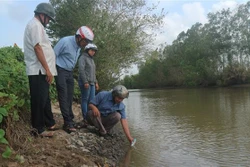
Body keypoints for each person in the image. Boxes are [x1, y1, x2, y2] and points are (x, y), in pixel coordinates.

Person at [23, 2, 57, 137]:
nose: (48, 21)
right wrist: (48, 70)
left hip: (40, 69)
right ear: (42, 15)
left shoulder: (37, 26)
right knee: (38, 99)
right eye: (48, 18)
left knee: (44, 98)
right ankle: (38, 129)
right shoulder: (35, 25)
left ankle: (48, 123)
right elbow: (37, 48)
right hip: (38, 69)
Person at [54, 26, 94, 133]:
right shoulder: (65, 41)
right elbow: (53, 54)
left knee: (69, 96)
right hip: (60, 70)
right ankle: (67, 123)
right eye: (85, 41)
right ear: (79, 37)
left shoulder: (78, 46)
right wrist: (49, 72)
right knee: (63, 96)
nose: (86, 44)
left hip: (69, 72)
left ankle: (70, 119)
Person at [78, 43, 99, 123]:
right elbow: (81, 70)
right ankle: (85, 118)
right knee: (85, 99)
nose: (93, 52)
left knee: (92, 101)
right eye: (92, 50)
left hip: (92, 83)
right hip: (85, 82)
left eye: (94, 51)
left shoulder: (91, 59)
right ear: (87, 50)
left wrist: (96, 82)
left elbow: (93, 72)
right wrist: (85, 81)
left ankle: (91, 117)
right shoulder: (82, 58)